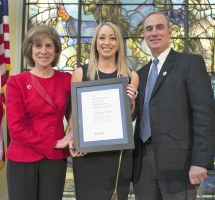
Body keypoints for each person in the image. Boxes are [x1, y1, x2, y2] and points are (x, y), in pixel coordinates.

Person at [132, 11, 215, 200]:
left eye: (159, 27)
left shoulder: (189, 64)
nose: (154, 33)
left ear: (170, 32)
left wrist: (200, 162)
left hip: (179, 164)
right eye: (149, 29)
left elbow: (205, 115)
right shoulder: (140, 74)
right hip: (143, 162)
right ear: (144, 35)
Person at [70, 22, 139, 200]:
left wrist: (130, 101)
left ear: (118, 44)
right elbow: (74, 114)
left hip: (117, 157)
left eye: (112, 38)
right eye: (102, 37)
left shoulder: (131, 76)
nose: (106, 42)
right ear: (95, 42)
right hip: (87, 156)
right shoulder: (80, 73)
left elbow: (131, 116)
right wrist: (72, 138)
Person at [6, 24, 73, 200]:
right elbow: (16, 128)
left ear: (56, 50)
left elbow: (77, 114)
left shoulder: (66, 80)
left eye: (49, 46)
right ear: (30, 49)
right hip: (22, 158)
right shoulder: (17, 82)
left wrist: (74, 135)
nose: (44, 51)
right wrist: (54, 143)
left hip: (54, 160)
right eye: (38, 46)